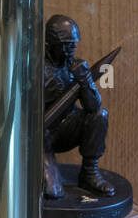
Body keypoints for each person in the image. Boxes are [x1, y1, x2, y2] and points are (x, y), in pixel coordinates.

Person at [43, 13, 114, 197]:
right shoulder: (36, 68)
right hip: (41, 136)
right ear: (51, 43)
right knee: (53, 193)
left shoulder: (75, 67)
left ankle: (89, 173)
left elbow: (93, 107)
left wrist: (85, 80)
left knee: (100, 115)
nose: (72, 48)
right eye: (67, 44)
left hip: (66, 128)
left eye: (74, 43)